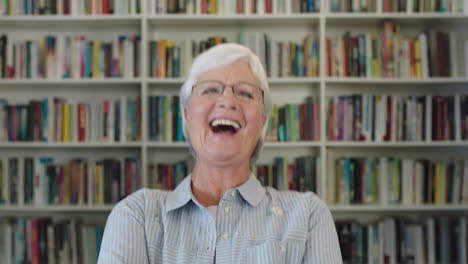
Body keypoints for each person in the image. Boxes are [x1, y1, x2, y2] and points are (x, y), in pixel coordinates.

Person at [97, 43, 342, 264]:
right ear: (187, 115)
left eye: (245, 93)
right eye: (211, 90)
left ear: (262, 123)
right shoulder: (137, 215)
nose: (227, 101)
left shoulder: (308, 216)